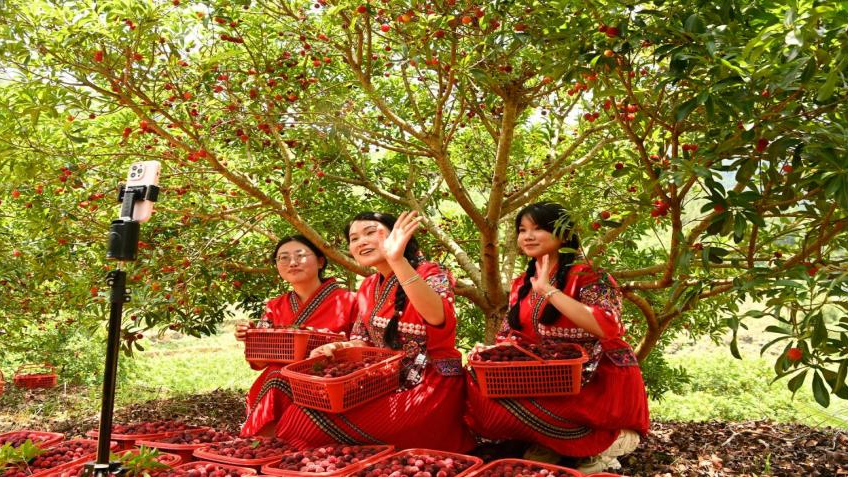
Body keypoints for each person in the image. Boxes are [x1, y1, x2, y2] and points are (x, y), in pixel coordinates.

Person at [464, 202, 649, 473]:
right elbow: (511, 335)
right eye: (522, 230)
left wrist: (549, 291)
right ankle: (550, 442)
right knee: (476, 383)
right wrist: (491, 351)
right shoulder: (522, 283)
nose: (528, 236)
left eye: (538, 229)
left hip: (596, 378)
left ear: (563, 234)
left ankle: (612, 442)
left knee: (580, 425)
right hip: (546, 376)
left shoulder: (590, 276)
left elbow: (608, 327)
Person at [276, 211, 475, 452]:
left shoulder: (432, 273)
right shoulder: (369, 285)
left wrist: (397, 260)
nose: (361, 242)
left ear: (397, 237)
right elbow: (362, 341)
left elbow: (437, 317)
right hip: (382, 383)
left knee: (310, 424)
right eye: (354, 238)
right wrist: (337, 347)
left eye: (371, 233)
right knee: (300, 414)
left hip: (430, 387)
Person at [235, 235, 357, 437]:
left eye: (300, 256)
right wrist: (252, 337)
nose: (292, 263)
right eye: (283, 258)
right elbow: (260, 361)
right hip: (280, 382)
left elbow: (363, 345)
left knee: (278, 376)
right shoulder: (275, 306)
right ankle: (265, 443)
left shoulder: (350, 300)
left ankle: (271, 440)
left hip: (331, 381)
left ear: (320, 261)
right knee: (276, 374)